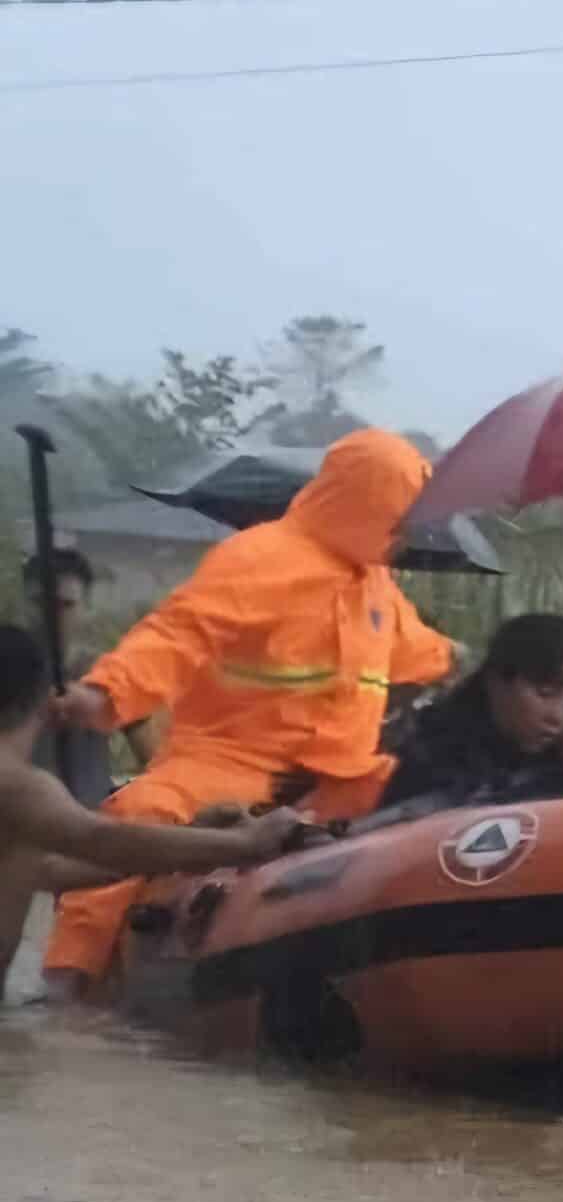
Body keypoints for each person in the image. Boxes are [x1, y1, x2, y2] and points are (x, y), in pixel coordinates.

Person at [39, 429, 455, 1001]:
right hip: (229, 763)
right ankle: (68, 978)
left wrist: (455, 658)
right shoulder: (262, 557)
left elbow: (416, 650)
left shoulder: (377, 587)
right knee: (140, 812)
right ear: (367, 501)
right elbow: (179, 633)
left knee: (438, 794)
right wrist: (106, 694)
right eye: (401, 517)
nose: (409, 534)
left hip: (342, 779)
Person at [0, 624, 308, 987]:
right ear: (41, 701)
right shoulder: (18, 785)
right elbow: (98, 839)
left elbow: (58, 868)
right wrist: (248, 844)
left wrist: (194, 835)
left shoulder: (18, 815)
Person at [377, 614, 563, 808]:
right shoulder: (426, 755)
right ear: (496, 681)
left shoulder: (562, 773)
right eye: (545, 693)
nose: (557, 717)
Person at [18, 549, 157, 809]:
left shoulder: (110, 673)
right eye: (40, 602)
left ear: (86, 606)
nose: (51, 615)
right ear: (25, 602)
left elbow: (154, 760)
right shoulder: (9, 670)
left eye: (64, 605)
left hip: (90, 827)